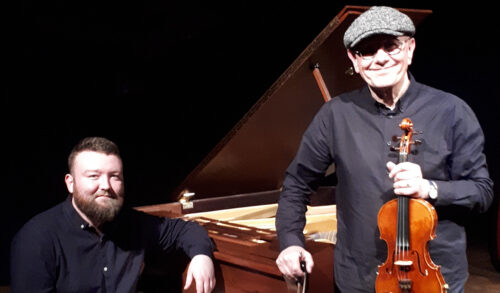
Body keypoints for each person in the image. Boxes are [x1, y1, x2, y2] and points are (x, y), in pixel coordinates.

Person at [275, 6, 493, 293]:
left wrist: (430, 188)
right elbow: (296, 184)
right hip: (358, 279)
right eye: (366, 50)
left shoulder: (452, 111)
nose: (380, 58)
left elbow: (481, 192)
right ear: (353, 59)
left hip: (435, 279)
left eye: (390, 46)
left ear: (410, 49)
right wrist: (291, 242)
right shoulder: (335, 115)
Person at [10, 137, 216, 293]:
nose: (106, 186)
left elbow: (185, 230)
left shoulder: (132, 223)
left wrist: (201, 255)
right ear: (70, 183)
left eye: (114, 177)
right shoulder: (36, 238)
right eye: (94, 176)